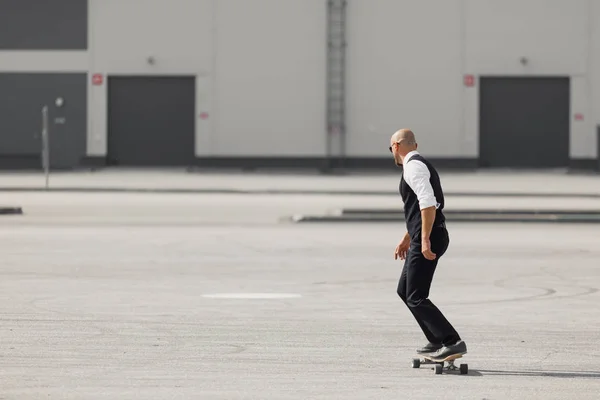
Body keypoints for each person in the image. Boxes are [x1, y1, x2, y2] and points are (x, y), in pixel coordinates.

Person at [390, 128, 467, 360]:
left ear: (396, 146)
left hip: (430, 237)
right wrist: (408, 237)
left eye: (390, 148)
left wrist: (423, 239)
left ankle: (451, 341)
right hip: (428, 234)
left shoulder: (412, 167)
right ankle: (435, 339)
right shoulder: (418, 164)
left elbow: (427, 204)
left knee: (415, 295)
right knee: (405, 291)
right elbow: (417, 209)